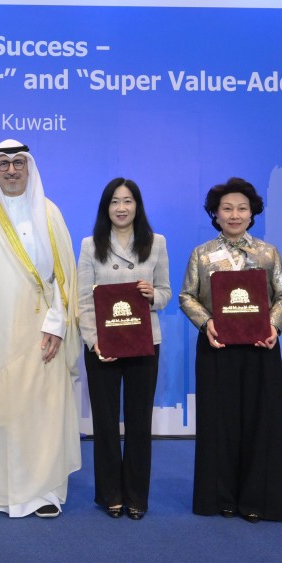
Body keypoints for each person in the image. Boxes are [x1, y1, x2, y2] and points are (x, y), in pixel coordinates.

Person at [0, 139, 81, 519]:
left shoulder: (50, 213)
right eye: (3, 164)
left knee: (38, 413)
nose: (10, 170)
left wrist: (57, 325)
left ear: (29, 167)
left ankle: (40, 492)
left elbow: (65, 277)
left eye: (18, 163)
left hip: (39, 333)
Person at [178, 177, 282, 523]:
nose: (234, 214)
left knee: (261, 423)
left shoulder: (268, 252)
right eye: (226, 208)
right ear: (215, 214)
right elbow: (187, 296)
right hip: (217, 346)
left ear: (252, 212)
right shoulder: (201, 254)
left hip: (261, 347)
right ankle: (220, 498)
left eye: (242, 208)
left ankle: (258, 499)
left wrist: (273, 325)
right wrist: (205, 322)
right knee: (219, 423)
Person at [77, 178, 170, 520]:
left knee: (138, 421)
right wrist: (93, 341)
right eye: (115, 201)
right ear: (106, 207)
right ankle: (110, 495)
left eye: (128, 201)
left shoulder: (156, 242)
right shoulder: (90, 245)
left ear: (137, 206)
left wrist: (152, 295)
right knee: (104, 422)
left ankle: (136, 497)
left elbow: (165, 293)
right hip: (103, 345)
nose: (121, 207)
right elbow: (84, 299)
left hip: (144, 343)